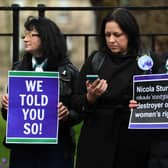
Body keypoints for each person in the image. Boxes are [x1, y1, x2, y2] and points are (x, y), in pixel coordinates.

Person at [71, 8, 161, 168]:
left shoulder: (148, 60)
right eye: (107, 35)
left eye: (117, 35)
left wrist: (144, 105)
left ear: (130, 33)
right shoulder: (96, 60)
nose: (111, 40)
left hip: (134, 141)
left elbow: (161, 100)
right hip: (97, 139)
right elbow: (76, 101)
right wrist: (90, 97)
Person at [1, 16, 82, 168]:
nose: (25, 39)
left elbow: (79, 111)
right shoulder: (18, 69)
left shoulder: (68, 72)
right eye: (25, 34)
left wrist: (66, 115)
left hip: (56, 148)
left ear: (46, 38)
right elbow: (9, 117)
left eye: (32, 35)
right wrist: (6, 107)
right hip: (23, 148)